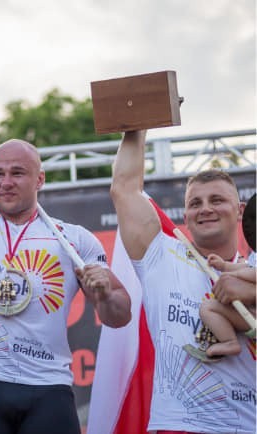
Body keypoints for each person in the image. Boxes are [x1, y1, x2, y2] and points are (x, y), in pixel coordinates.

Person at [0, 105, 131, 434]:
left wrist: (103, 293)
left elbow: (119, 315)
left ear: (39, 179)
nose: (6, 182)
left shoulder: (73, 239)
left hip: (47, 388)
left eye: (17, 173)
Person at [110, 130, 256, 434]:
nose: (205, 209)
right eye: (195, 203)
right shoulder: (161, 256)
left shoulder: (253, 268)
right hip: (180, 424)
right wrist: (136, 126)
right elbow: (125, 188)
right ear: (186, 216)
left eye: (217, 200)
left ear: (240, 210)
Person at [198, 254, 256, 358]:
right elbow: (248, 267)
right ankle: (230, 341)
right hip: (246, 311)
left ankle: (229, 342)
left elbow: (253, 272)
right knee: (208, 306)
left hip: (253, 314)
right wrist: (224, 266)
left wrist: (234, 276)